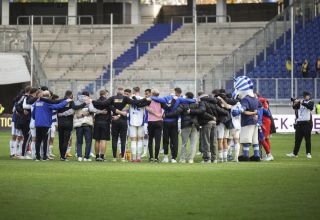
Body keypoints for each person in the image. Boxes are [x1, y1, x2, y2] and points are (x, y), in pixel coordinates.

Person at [92, 87, 149, 162]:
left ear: (117, 91)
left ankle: (114, 157)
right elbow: (135, 103)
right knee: (123, 140)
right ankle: (122, 157)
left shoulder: (112, 98)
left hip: (114, 120)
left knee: (114, 139)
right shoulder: (125, 98)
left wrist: (92, 101)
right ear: (122, 92)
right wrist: (145, 99)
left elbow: (103, 104)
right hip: (123, 121)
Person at [150, 87, 195, 163]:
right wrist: (194, 100)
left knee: (165, 140)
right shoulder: (179, 99)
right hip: (174, 122)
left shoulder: (165, 98)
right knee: (174, 140)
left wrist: (150, 97)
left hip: (166, 122)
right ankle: (173, 158)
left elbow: (157, 99)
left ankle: (166, 157)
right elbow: (190, 100)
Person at [165, 92, 203, 163]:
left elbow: (176, 112)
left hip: (185, 125)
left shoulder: (183, 104)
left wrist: (166, 115)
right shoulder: (197, 104)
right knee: (193, 143)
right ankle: (191, 159)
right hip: (195, 125)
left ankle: (183, 159)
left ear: (187, 97)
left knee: (184, 143)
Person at [32, 91, 71, 161]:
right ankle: (44, 156)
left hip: (38, 123)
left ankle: (37, 157)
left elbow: (33, 114)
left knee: (38, 140)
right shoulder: (47, 103)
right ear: (49, 96)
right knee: (45, 141)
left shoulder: (36, 103)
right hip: (46, 124)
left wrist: (37, 119)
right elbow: (58, 106)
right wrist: (66, 101)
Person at [286, 91, 314, 159]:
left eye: (308, 95)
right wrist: (294, 102)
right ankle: (295, 153)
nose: (308, 96)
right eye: (307, 95)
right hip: (299, 123)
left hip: (307, 123)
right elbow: (294, 107)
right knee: (297, 139)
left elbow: (310, 107)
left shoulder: (310, 102)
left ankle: (308, 153)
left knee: (307, 139)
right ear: (304, 96)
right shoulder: (300, 102)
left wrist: (301, 102)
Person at [74, 91, 95, 162]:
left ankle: (79, 156)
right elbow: (92, 110)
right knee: (88, 141)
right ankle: (86, 157)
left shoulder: (77, 102)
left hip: (78, 124)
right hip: (87, 124)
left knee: (79, 141)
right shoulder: (89, 101)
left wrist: (81, 113)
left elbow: (75, 110)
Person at [128, 87, 147, 162]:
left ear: (133, 91)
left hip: (132, 121)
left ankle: (133, 158)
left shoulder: (130, 99)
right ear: (139, 91)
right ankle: (139, 158)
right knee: (139, 140)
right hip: (141, 121)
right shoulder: (143, 98)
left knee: (133, 140)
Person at [92, 90, 111, 161]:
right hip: (105, 122)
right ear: (105, 94)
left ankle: (97, 156)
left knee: (97, 140)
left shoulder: (96, 102)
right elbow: (110, 112)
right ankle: (102, 156)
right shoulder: (108, 102)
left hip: (97, 122)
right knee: (103, 140)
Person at [145, 89, 163, 162]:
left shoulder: (149, 100)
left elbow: (147, 108)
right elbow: (164, 109)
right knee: (158, 140)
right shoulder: (161, 100)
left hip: (151, 121)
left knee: (150, 140)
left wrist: (154, 113)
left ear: (152, 93)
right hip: (159, 121)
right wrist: (160, 114)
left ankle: (151, 157)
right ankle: (156, 158)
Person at [258, 95, 274, 161]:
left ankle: (268, 154)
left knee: (262, 139)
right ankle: (267, 154)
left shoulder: (262, 102)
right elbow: (268, 113)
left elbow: (267, 113)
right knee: (265, 139)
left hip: (264, 123)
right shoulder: (264, 104)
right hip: (265, 122)